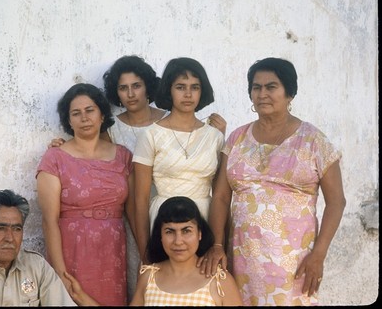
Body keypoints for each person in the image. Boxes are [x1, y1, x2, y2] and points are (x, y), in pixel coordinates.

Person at [49, 55, 227, 302]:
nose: (131, 93)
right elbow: (95, 156)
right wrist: (62, 148)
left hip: (200, 217)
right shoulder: (124, 132)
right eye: (123, 88)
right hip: (147, 217)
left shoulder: (197, 127)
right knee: (151, 283)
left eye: (136, 86)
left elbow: (219, 190)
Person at [204, 57, 346, 306]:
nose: (262, 94)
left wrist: (319, 255)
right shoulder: (238, 137)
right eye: (256, 87)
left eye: (271, 87)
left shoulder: (313, 140)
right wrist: (217, 244)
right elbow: (221, 196)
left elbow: (336, 202)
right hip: (242, 257)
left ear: (289, 93)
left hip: (293, 262)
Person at [36, 83, 134, 306]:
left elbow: (134, 210)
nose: (84, 118)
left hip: (113, 252)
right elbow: (49, 221)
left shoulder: (123, 157)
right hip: (73, 251)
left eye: (90, 110)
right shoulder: (55, 158)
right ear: (68, 121)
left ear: (101, 114)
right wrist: (59, 273)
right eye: (76, 113)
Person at [133, 57, 225, 265]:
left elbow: (221, 195)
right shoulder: (151, 135)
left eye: (195, 87)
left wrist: (219, 242)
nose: (188, 94)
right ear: (169, 90)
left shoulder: (215, 137)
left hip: (204, 219)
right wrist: (144, 252)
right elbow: (140, 200)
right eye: (180, 87)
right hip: (164, 221)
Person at [129, 196, 243, 306]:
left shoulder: (220, 282)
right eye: (169, 231)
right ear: (160, 236)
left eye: (186, 231)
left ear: (199, 234)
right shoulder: (148, 278)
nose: (178, 241)